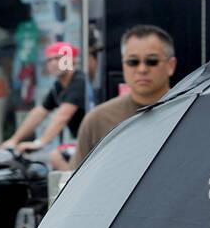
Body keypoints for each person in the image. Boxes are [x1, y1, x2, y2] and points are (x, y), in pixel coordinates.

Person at [69, 25, 177, 170]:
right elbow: (77, 181)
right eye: (133, 62)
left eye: (152, 61)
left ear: (171, 65)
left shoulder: (190, 113)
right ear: (123, 66)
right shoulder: (97, 120)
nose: (142, 69)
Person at [0, 41, 86, 160]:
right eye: (49, 60)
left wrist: (39, 143)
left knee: (56, 156)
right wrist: (14, 140)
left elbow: (62, 116)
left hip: (96, 143)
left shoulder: (79, 81)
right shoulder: (58, 86)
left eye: (58, 58)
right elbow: (39, 113)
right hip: (84, 142)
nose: (53, 63)